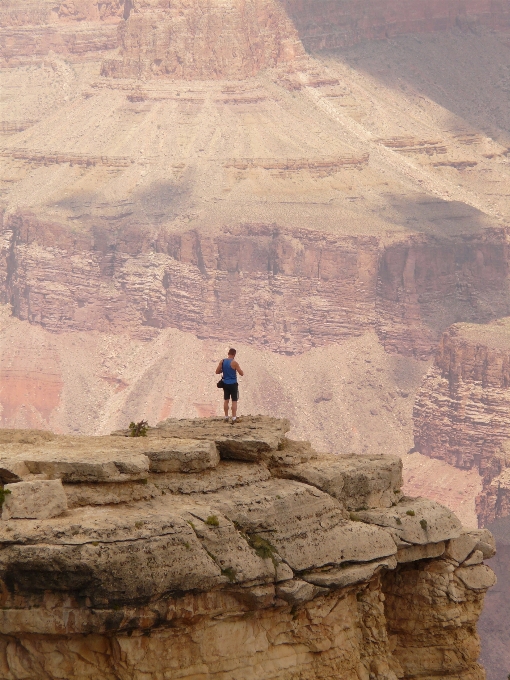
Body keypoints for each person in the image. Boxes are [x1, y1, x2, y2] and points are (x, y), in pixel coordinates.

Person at [216, 348, 244, 423]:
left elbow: (217, 371)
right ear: (234, 354)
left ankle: (226, 417)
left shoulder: (222, 361)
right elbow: (241, 373)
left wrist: (224, 370)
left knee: (226, 400)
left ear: (228, 353)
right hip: (233, 384)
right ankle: (234, 418)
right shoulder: (234, 363)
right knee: (234, 401)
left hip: (225, 384)